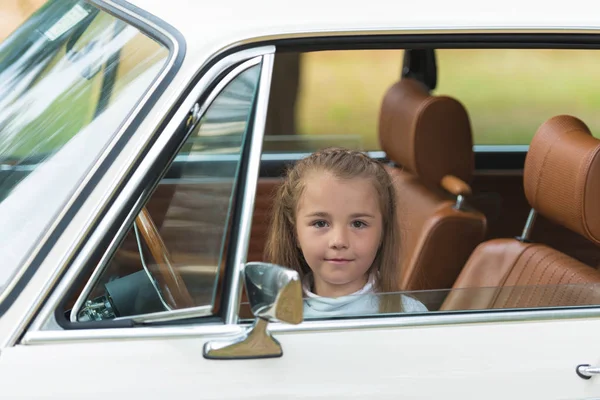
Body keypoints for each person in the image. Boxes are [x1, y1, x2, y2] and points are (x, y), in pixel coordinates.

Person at [265, 147, 427, 318]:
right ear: (294, 232)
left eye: (358, 224)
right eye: (320, 223)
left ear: (383, 232)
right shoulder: (273, 317)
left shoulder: (409, 315)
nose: (339, 241)